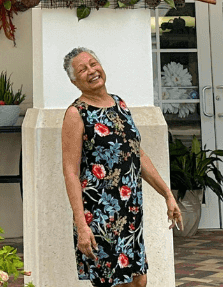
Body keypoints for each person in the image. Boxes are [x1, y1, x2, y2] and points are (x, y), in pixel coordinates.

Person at [61, 47, 181, 287]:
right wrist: (81, 226)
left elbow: (137, 154)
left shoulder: (120, 104)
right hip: (100, 215)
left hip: (130, 213)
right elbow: (70, 172)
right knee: (116, 283)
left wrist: (167, 194)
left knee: (139, 281)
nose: (91, 71)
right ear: (74, 82)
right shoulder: (76, 114)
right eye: (82, 70)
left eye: (93, 64)